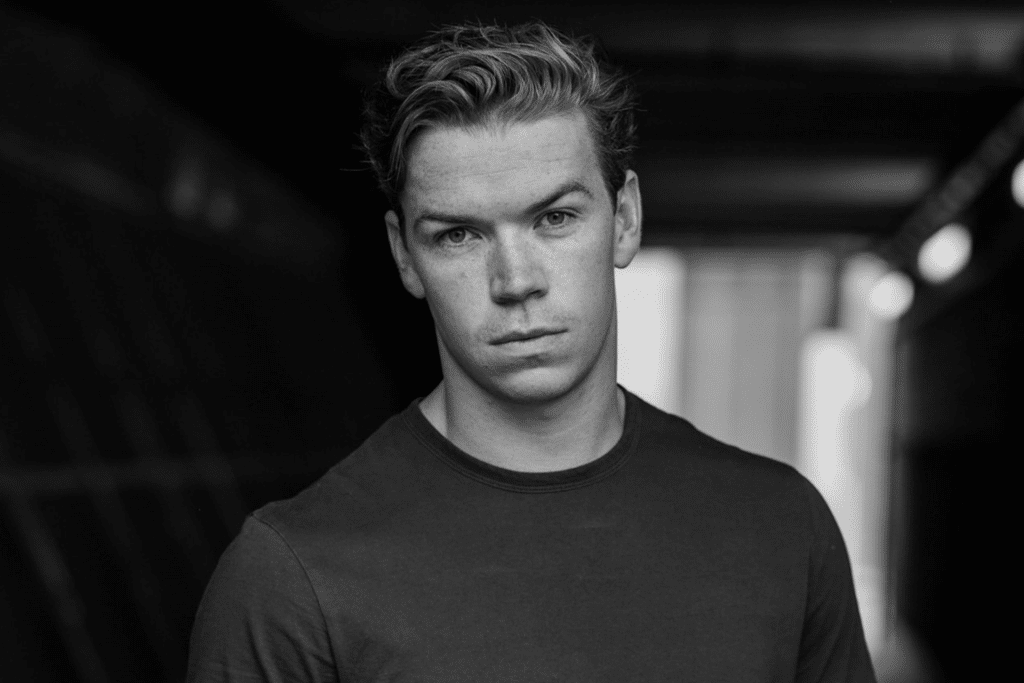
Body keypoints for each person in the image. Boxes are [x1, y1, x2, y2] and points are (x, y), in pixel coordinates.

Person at [186, 21, 877, 683]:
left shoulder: (780, 529)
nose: (516, 281)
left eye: (555, 218)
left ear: (625, 219)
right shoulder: (291, 574)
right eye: (460, 235)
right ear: (404, 254)